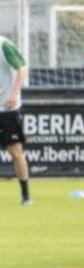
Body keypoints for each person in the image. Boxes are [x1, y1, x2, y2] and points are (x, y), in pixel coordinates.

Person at [0, 35, 31, 205]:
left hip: (6, 108)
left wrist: (14, 94)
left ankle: (26, 195)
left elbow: (22, 67)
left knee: (15, 152)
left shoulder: (4, 45)